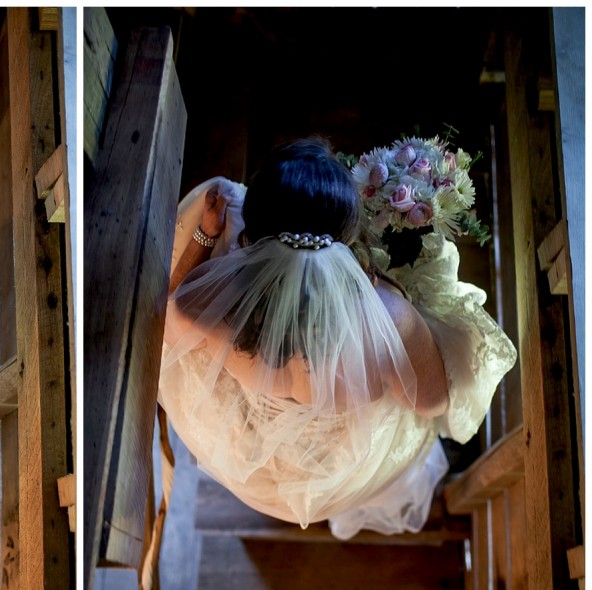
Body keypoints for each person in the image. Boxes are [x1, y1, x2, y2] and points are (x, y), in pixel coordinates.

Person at [159, 137, 516, 539]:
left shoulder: (218, 302)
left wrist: (207, 235)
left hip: (256, 448)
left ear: (253, 233)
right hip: (343, 465)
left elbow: (171, 312)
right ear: (347, 236)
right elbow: (431, 401)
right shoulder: (389, 317)